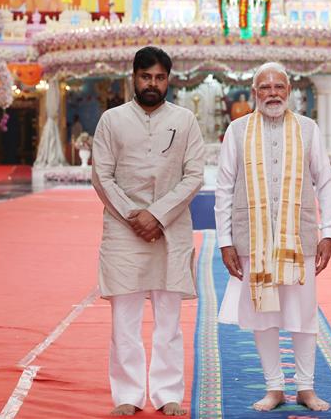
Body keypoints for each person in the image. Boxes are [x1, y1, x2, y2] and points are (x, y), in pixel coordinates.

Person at [214, 62, 331, 412]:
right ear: (255, 93)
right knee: (263, 315)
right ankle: (274, 388)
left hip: (299, 240)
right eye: (265, 88)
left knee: (303, 314)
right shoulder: (237, 131)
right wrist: (225, 241)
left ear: (289, 91)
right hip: (252, 239)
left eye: (278, 87)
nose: (272, 94)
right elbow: (224, 189)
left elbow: (325, 183)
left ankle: (306, 387)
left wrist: (328, 233)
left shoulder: (307, 129)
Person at [91, 46, 205, 416]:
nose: (152, 84)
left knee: (168, 320)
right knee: (124, 320)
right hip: (124, 232)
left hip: (170, 230)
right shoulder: (112, 120)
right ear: (133, 78)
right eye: (145, 77)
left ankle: (167, 392)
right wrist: (133, 215)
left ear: (168, 79)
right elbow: (101, 176)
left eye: (159, 77)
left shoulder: (185, 120)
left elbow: (194, 176)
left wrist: (156, 215)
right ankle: (127, 395)